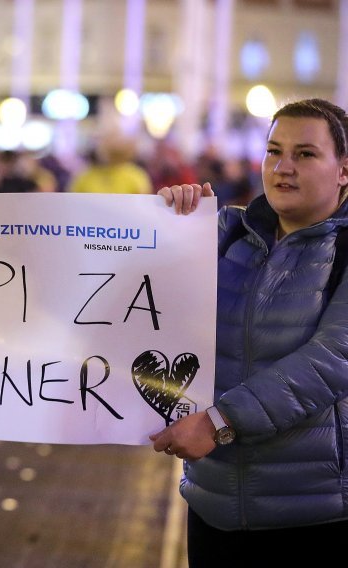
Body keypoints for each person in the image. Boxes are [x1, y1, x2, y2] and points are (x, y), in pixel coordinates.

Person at [149, 98, 348, 567]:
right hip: (214, 503)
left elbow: (336, 355)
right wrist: (162, 225)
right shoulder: (223, 234)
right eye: (273, 151)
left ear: (344, 171)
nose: (283, 167)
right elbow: (136, 303)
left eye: (305, 154)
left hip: (314, 512)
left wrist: (220, 422)